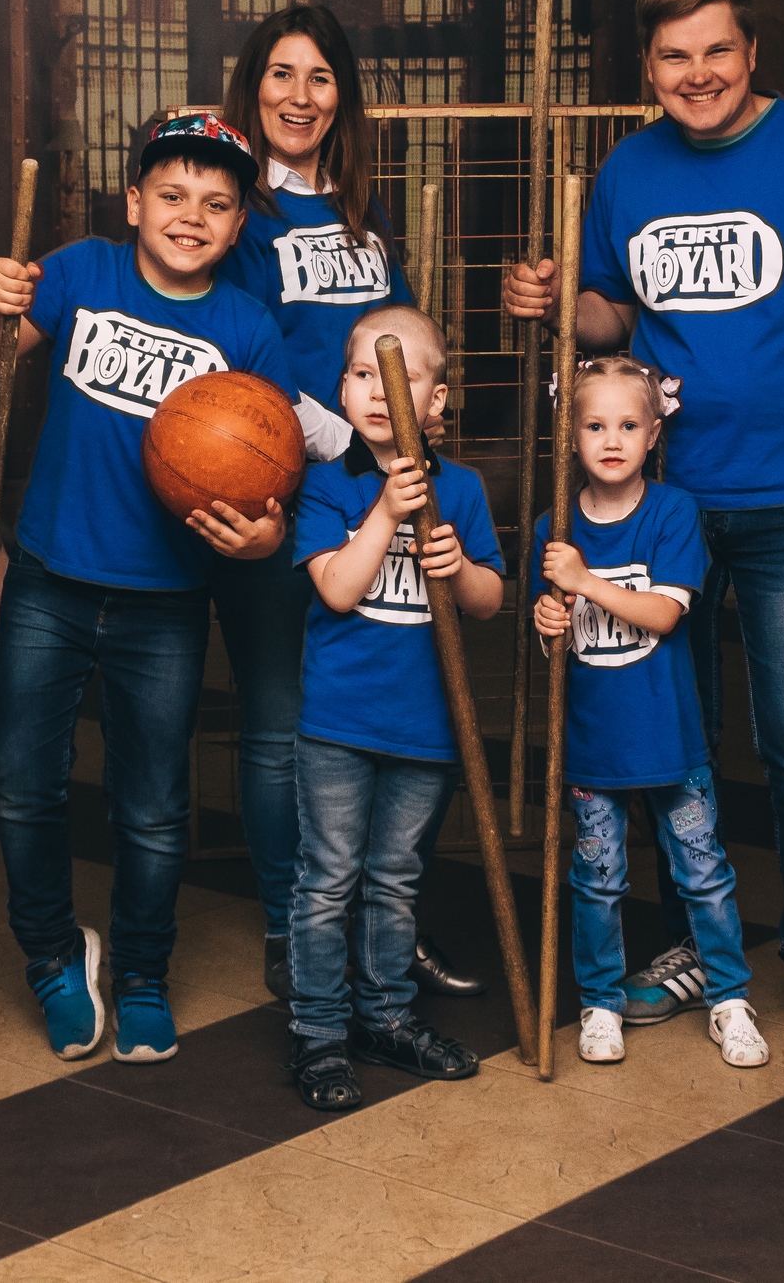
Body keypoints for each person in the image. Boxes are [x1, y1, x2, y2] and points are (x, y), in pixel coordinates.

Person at [503, 0, 784, 1060]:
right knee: (675, 737)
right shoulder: (630, 167)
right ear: (648, 68)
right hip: (661, 503)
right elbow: (608, 315)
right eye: (674, 56)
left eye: (717, 50)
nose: (698, 73)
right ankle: (700, 939)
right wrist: (556, 299)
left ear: (751, 53)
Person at [0, 111, 336, 1064]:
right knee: (24, 787)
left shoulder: (246, 326)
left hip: (166, 599)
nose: (191, 215)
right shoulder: (81, 271)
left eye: (216, 203)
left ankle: (144, 972)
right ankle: (51, 956)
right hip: (48, 579)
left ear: (238, 226)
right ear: (132, 201)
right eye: (171, 194)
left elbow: (279, 477)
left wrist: (267, 535)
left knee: (153, 806)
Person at [214, 4, 474, 1002]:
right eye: (280, 74)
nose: (299, 95)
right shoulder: (242, 212)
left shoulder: (365, 215)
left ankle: (380, 927)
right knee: (283, 723)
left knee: (381, 716)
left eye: (319, 76)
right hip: (285, 490)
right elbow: (237, 352)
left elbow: (395, 339)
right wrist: (343, 446)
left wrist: (400, 446)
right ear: (252, 88)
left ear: (343, 96)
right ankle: (296, 928)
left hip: (376, 494)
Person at [287, 306, 502, 1111]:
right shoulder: (324, 486)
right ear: (342, 390)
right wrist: (385, 513)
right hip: (338, 724)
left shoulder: (463, 489)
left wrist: (456, 563)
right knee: (326, 880)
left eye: (402, 376)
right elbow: (339, 590)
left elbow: (489, 598)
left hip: (426, 726)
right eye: (363, 374)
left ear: (437, 400)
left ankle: (384, 1016)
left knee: (395, 881)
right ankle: (318, 1031)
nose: (380, 391)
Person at [529, 354, 763, 1069]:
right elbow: (562, 639)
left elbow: (664, 613)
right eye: (595, 425)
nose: (612, 440)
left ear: (654, 433)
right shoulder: (553, 526)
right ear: (571, 435)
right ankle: (600, 1002)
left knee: (703, 871)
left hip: (669, 739)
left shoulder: (672, 512)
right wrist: (547, 621)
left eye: (629, 425)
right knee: (597, 879)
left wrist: (583, 580)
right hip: (593, 744)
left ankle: (729, 997)